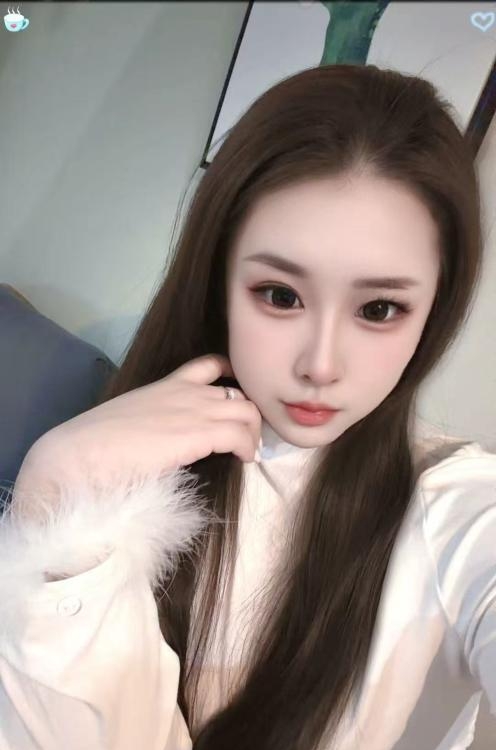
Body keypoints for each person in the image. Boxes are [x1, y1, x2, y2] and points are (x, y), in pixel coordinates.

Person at [0, 63, 495, 750]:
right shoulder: (123, 458)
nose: (321, 365)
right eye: (281, 296)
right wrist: (56, 490)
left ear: (434, 311)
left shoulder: (453, 505)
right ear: (219, 280)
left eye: (379, 309)